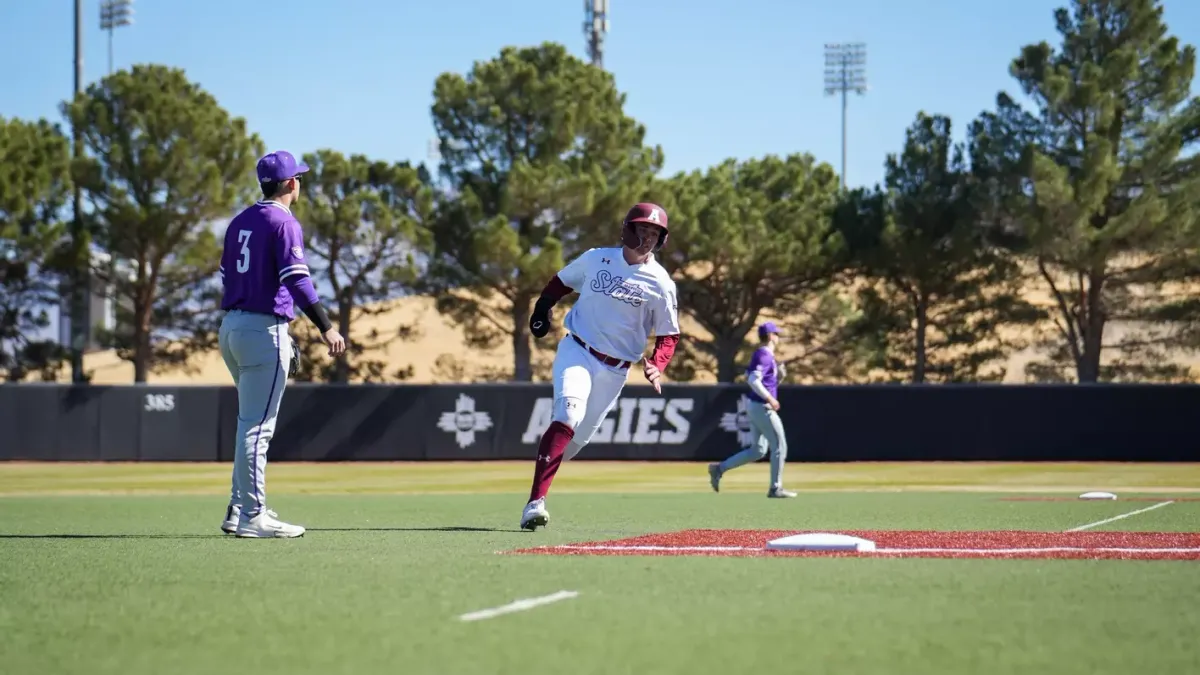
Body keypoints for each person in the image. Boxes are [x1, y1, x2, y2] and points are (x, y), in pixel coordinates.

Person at [520, 203, 682, 530]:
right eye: (643, 230)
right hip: (578, 350)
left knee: (573, 445)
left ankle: (544, 467)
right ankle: (535, 503)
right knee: (567, 415)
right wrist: (542, 308)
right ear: (628, 229)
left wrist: (658, 364)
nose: (648, 238)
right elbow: (561, 282)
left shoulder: (661, 283)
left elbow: (669, 334)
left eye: (655, 233)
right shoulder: (597, 259)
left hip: (615, 370)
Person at [217, 150, 346, 538]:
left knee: (248, 424)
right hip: (263, 329)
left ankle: (238, 507)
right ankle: (253, 516)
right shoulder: (283, 221)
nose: (300, 183)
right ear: (291, 183)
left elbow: (226, 273)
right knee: (257, 428)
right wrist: (326, 327)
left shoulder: (241, 220)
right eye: (299, 178)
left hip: (231, 328)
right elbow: (297, 279)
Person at [708, 322, 796, 498]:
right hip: (762, 407)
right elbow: (753, 380)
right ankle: (775, 488)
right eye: (776, 334)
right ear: (770, 336)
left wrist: (778, 379)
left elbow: (752, 376)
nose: (778, 337)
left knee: (758, 450)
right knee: (780, 446)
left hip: (755, 405)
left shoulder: (762, 355)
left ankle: (719, 468)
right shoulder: (764, 355)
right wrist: (770, 398)